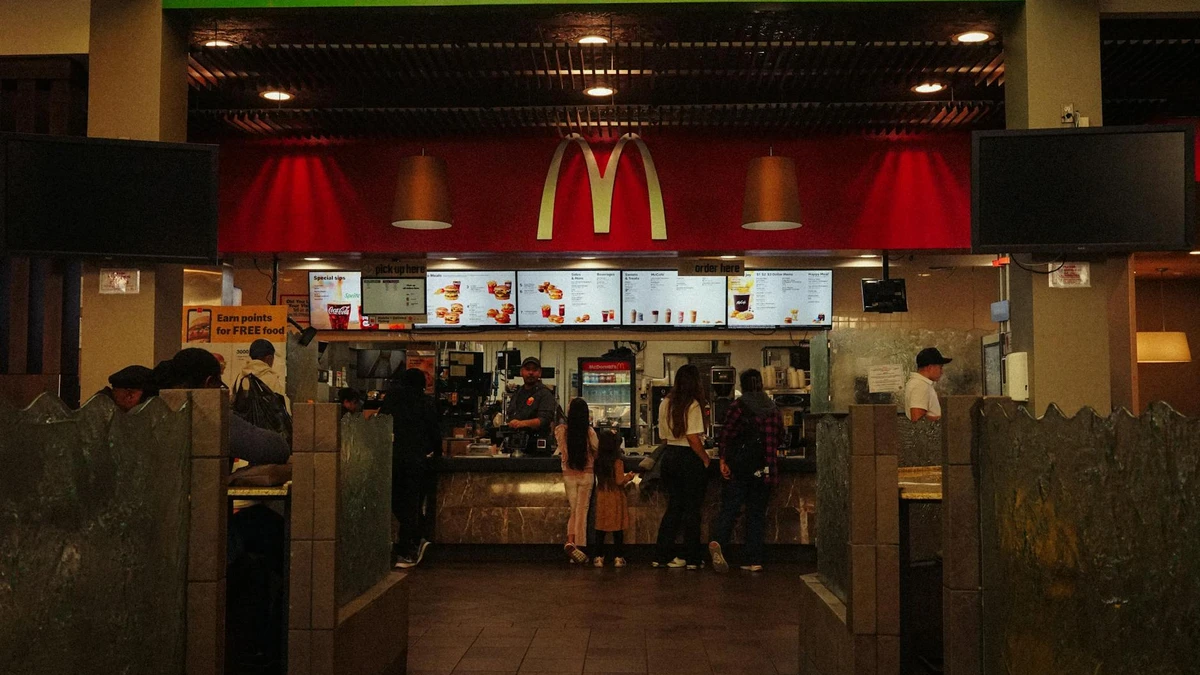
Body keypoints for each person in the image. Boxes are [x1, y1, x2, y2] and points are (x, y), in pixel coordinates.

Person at [709, 369, 783, 574]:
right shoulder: (774, 408)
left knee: (730, 510)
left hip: (741, 470)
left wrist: (723, 459)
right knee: (757, 515)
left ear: (741, 385)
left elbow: (726, 435)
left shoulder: (738, 407)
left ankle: (719, 545)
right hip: (766, 470)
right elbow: (780, 438)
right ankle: (754, 559)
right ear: (761, 383)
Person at [379, 367, 441, 569]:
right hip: (415, 460)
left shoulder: (390, 399)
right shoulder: (425, 402)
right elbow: (434, 431)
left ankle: (400, 547)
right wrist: (436, 452)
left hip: (392, 458)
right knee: (412, 504)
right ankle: (407, 548)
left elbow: (380, 426)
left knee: (395, 501)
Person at [653, 364, 711, 570]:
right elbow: (693, 437)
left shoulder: (665, 403)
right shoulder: (693, 404)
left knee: (674, 507)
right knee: (692, 510)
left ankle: (662, 555)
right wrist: (705, 458)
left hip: (670, 458)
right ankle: (692, 557)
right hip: (688, 459)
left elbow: (663, 436)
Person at [554, 397, 598, 564]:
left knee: (574, 510)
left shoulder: (560, 431)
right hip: (586, 475)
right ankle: (579, 547)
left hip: (568, 475)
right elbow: (597, 448)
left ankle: (571, 542)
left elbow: (561, 450)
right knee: (582, 511)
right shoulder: (589, 432)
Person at [592, 430, 634, 568]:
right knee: (618, 528)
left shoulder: (597, 461)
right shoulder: (617, 462)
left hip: (602, 495)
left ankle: (598, 557)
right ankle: (618, 557)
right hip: (615, 497)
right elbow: (619, 480)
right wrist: (629, 477)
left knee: (600, 528)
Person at [505, 356, 557, 456]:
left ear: (540, 373)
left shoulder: (545, 394)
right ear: (521, 372)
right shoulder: (517, 393)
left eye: (534, 370)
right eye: (528, 369)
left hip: (537, 448)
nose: (531, 373)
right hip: (517, 446)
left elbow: (544, 419)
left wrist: (521, 423)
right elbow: (511, 414)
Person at [233, 338, 291, 412]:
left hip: (242, 422)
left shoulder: (240, 376)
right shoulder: (270, 378)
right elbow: (283, 407)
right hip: (265, 422)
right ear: (269, 358)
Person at [904, 347, 953, 422]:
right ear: (930, 367)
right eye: (940, 367)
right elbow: (917, 419)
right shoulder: (920, 385)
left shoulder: (918, 383)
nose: (942, 372)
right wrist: (946, 420)